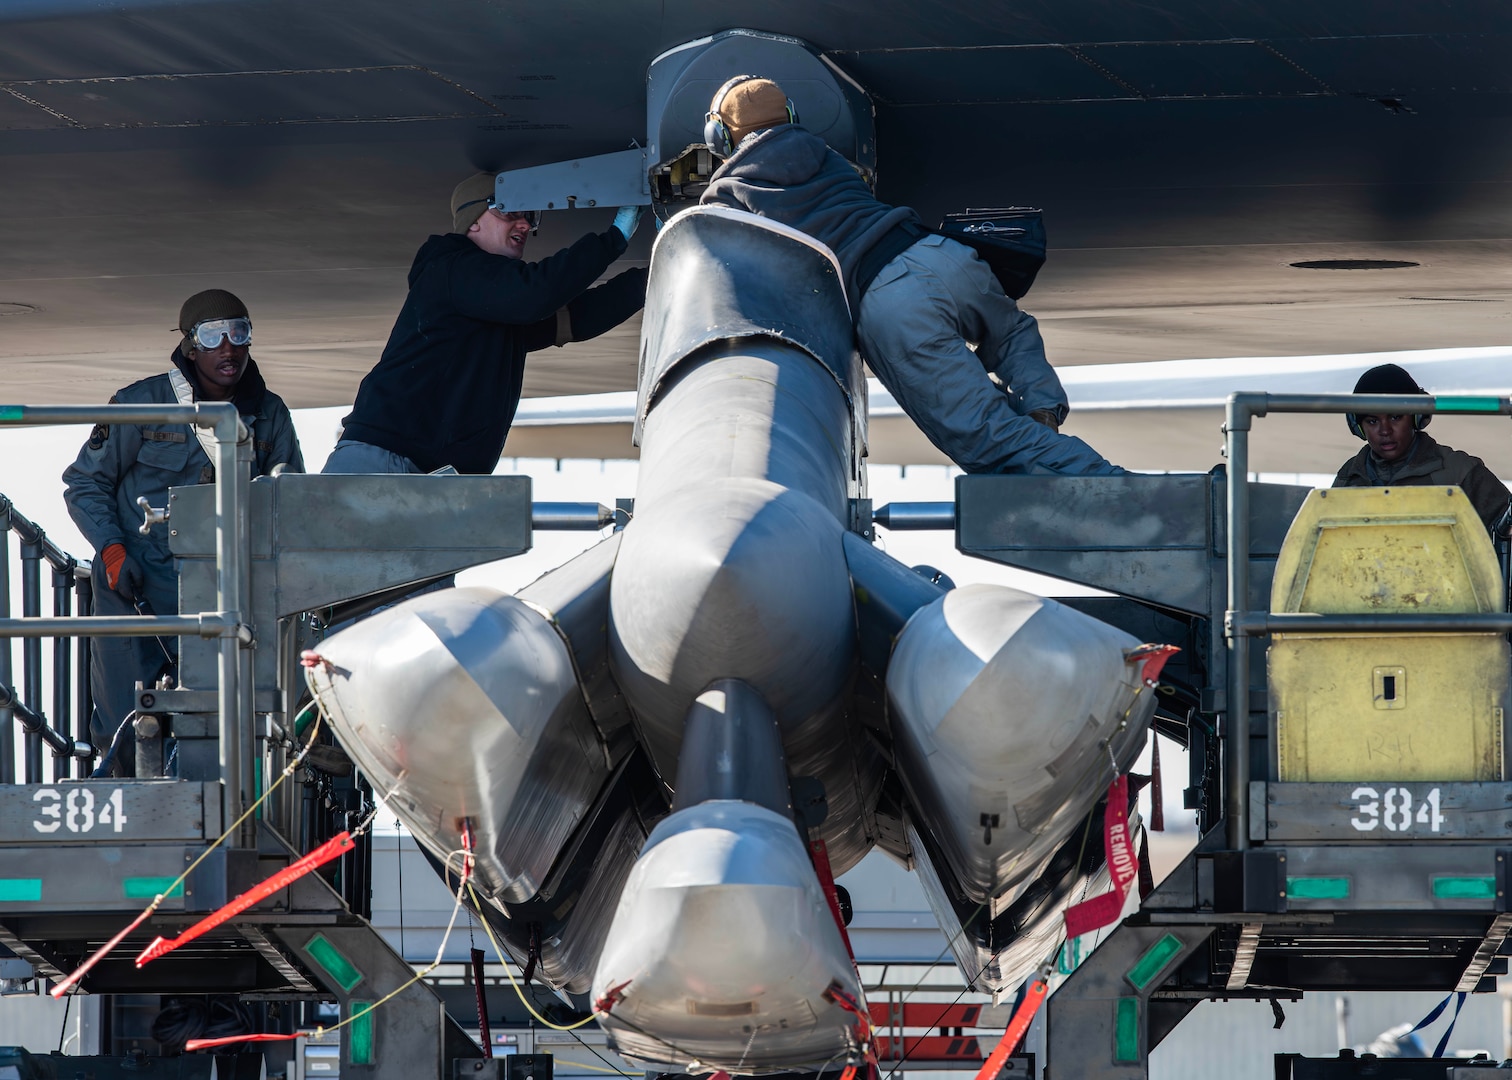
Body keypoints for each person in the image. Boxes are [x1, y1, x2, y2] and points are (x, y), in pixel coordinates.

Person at [698, 76, 1121, 476]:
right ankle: (1042, 413)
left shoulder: (727, 192)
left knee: (989, 439)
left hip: (891, 300)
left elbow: (732, 272)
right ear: (789, 115)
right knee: (1011, 334)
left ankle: (1117, 491)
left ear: (720, 136)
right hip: (942, 254)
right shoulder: (826, 155)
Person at [63, 289, 304, 764]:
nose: (228, 348)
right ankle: (121, 791)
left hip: (226, 593)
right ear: (191, 346)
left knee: (226, 729)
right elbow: (83, 483)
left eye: (240, 333)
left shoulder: (270, 415)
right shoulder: (140, 404)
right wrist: (112, 549)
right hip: (134, 585)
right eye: (213, 336)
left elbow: (290, 504)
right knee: (125, 723)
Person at [325, 173, 648, 475]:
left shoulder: (490, 304)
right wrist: (613, 238)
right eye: (510, 212)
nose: (524, 223)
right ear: (473, 221)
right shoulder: (452, 269)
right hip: (385, 463)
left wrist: (653, 277)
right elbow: (535, 294)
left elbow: (570, 320)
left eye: (530, 216)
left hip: (429, 474)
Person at [1334, 363, 1510, 534]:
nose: (1385, 430)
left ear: (1417, 417)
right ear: (1358, 427)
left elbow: (1505, 532)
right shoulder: (1349, 477)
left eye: (1395, 417)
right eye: (1372, 421)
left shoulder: (1459, 472)